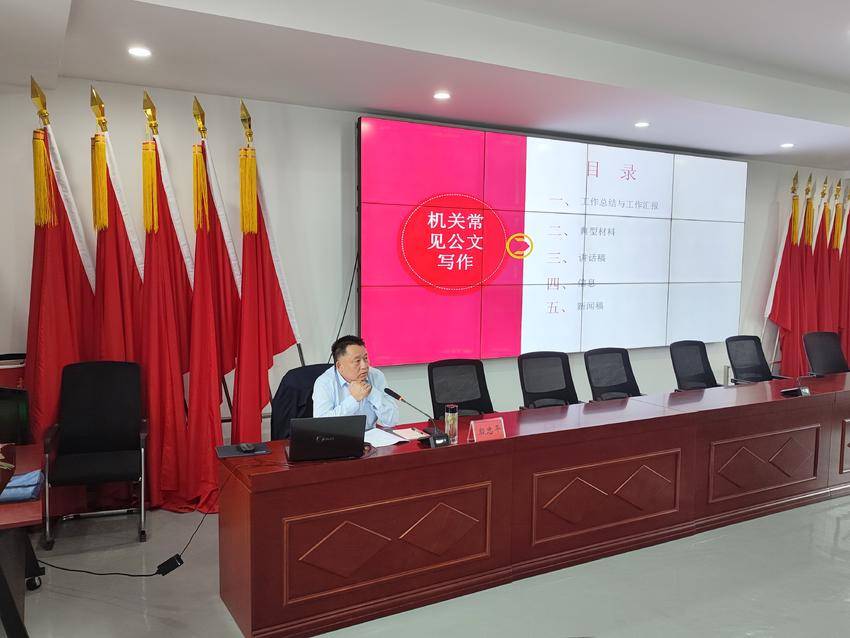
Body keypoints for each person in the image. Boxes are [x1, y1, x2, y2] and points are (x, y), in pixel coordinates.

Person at [312, 335, 398, 429]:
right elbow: (321, 425)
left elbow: (392, 421)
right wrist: (354, 399)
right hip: (339, 436)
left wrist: (371, 392)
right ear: (339, 366)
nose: (364, 366)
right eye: (357, 361)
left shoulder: (376, 376)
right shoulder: (324, 383)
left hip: (371, 436)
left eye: (365, 358)